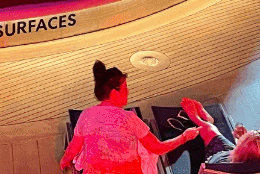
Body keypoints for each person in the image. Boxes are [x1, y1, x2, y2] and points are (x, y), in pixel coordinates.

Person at [60, 60, 200, 174]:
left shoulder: (86, 115)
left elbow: (73, 148)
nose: (128, 92)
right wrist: (184, 137)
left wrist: (65, 160)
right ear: (114, 93)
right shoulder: (129, 118)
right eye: (125, 88)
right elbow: (157, 148)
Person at [178, 97, 260, 167]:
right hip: (235, 159)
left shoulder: (220, 166)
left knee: (206, 134)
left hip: (218, 160)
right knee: (210, 130)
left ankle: (197, 118)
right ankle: (208, 122)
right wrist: (244, 139)